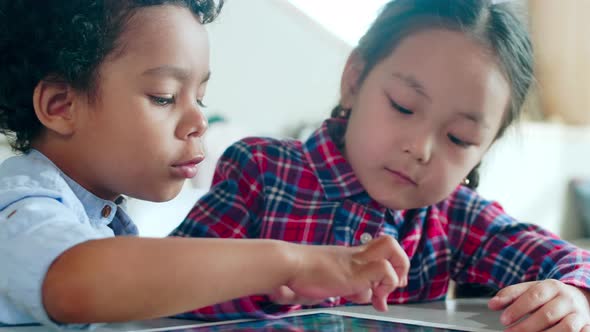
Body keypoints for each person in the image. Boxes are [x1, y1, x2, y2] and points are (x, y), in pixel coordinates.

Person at [171, 0, 590, 330]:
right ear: (354, 81)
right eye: (403, 107)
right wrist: (277, 277)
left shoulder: (454, 217)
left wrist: (573, 294)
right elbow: (159, 283)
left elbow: (572, 262)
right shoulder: (262, 171)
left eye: (459, 138)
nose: (420, 148)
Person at [0, 1, 407, 329]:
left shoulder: (95, 220)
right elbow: (75, 281)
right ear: (61, 106)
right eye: (164, 96)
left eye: (201, 98)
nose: (198, 122)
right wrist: (293, 262)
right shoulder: (17, 207)